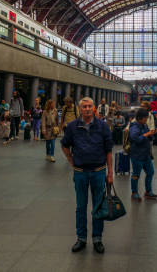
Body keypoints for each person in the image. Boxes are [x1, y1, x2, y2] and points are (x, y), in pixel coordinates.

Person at [61, 97, 113, 254]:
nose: (87, 109)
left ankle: (97, 238)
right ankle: (81, 238)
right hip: (80, 173)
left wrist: (110, 173)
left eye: (90, 106)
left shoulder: (103, 126)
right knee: (80, 207)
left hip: (98, 172)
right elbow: (64, 144)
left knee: (98, 207)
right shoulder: (72, 126)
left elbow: (109, 151)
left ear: (94, 108)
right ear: (80, 109)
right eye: (84, 106)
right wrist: (71, 159)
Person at [129, 108, 157, 201]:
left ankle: (148, 191)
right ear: (141, 118)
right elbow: (135, 139)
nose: (146, 120)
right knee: (136, 175)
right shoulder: (134, 126)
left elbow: (149, 136)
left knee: (150, 172)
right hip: (137, 156)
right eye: (146, 118)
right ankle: (134, 192)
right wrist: (147, 134)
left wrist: (152, 134)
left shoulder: (144, 125)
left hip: (146, 155)